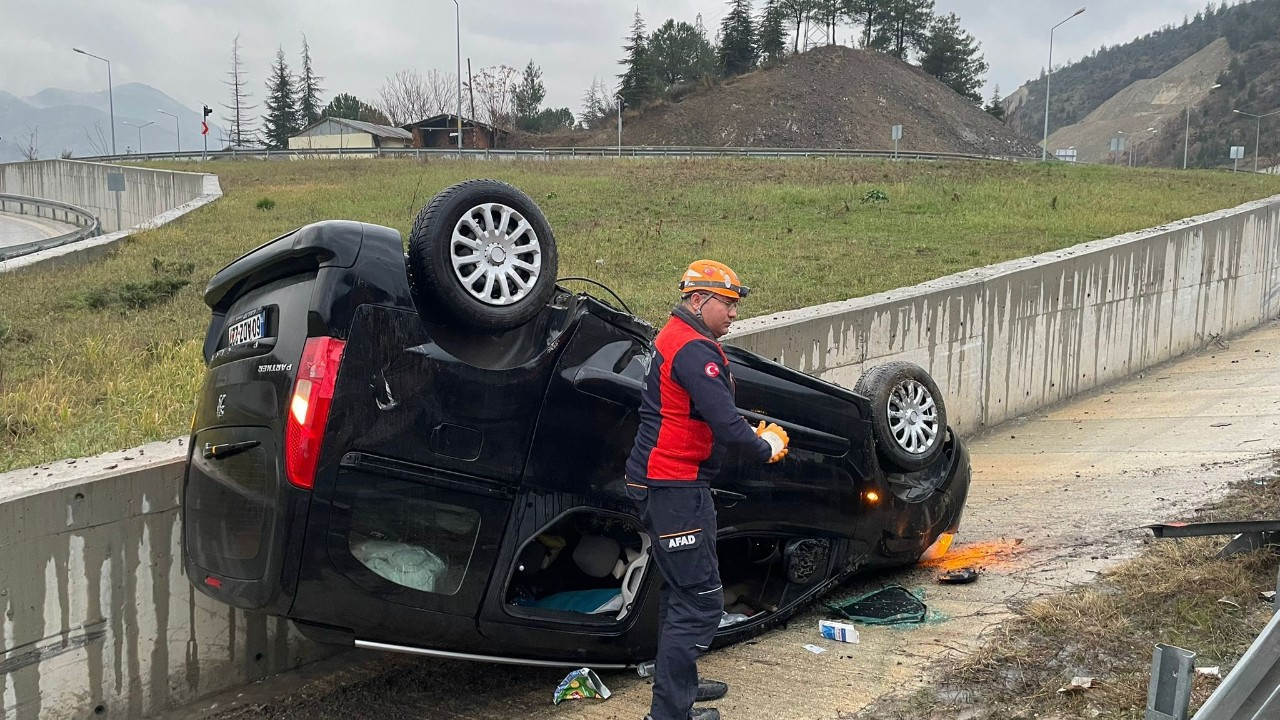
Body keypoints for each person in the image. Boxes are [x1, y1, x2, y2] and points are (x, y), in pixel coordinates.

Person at [625, 260, 790, 720]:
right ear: (699, 300)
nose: (734, 313)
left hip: (674, 482)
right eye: (728, 303)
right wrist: (766, 445)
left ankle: (680, 689)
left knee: (683, 591)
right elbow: (725, 422)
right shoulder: (695, 350)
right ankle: (670, 713)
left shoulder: (675, 336)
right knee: (700, 602)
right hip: (671, 486)